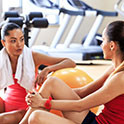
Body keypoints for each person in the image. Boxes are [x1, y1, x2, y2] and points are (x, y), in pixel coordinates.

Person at [19, 20, 124, 124]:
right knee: (52, 83)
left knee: (36, 117)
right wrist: (43, 95)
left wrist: (43, 102)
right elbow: (83, 92)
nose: (101, 45)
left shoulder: (120, 78)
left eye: (103, 40)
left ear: (112, 45)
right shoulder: (114, 68)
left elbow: (80, 105)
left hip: (93, 119)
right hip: (94, 121)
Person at [0, 22, 76, 124]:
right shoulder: (2, 59)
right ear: (4, 43)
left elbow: (70, 62)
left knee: (2, 119)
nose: (19, 44)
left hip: (26, 109)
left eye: (22, 39)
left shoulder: (32, 56)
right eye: (13, 41)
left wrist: (47, 69)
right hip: (5, 104)